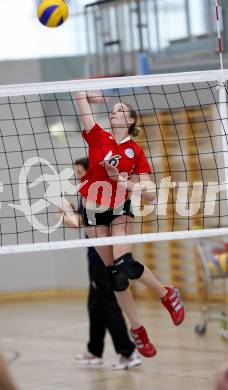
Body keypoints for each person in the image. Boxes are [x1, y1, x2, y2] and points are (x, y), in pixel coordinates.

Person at [73, 91, 185, 358]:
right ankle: (138, 330)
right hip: (92, 205)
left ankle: (166, 293)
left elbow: (149, 193)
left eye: (121, 110)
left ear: (132, 120)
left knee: (124, 265)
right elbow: (79, 96)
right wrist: (92, 97)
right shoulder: (97, 133)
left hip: (119, 205)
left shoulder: (135, 151)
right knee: (115, 276)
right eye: (114, 109)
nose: (115, 111)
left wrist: (122, 180)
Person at [57, 158, 141, 370]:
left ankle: (128, 352)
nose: (77, 176)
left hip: (101, 260)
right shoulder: (90, 193)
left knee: (108, 304)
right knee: (95, 305)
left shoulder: (94, 193)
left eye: (79, 172)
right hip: (95, 258)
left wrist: (62, 215)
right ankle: (94, 352)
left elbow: (78, 223)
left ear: (88, 171)